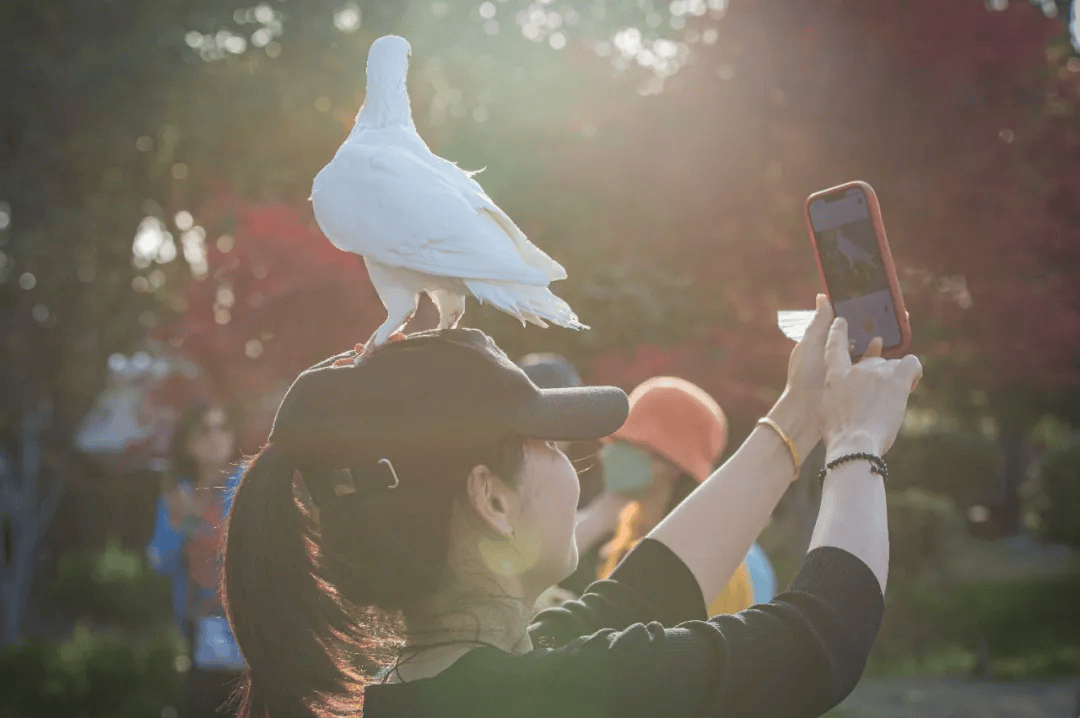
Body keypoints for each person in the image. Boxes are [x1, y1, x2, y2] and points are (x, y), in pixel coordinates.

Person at [221, 295, 922, 718]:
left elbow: (652, 589)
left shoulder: (429, 688)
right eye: (551, 444)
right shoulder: (544, 694)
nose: (577, 464)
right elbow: (823, 638)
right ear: (492, 500)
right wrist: (857, 440)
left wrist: (802, 413)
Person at [596, 375, 772, 613]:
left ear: (665, 462)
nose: (606, 453)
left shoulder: (712, 561)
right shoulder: (629, 529)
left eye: (624, 443)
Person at [148, 405, 245, 717]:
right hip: (199, 624)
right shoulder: (179, 494)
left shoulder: (249, 486)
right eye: (205, 430)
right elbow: (161, 561)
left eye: (222, 428)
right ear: (188, 442)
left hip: (250, 622)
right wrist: (183, 524)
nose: (216, 437)